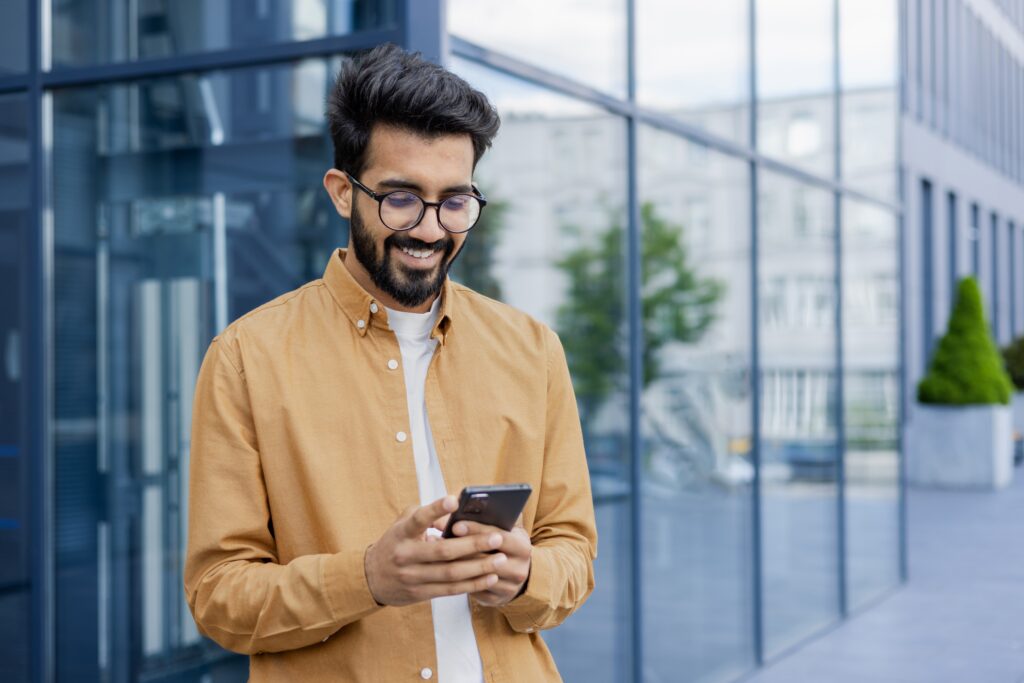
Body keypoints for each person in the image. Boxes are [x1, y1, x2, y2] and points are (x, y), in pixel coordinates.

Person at [183, 43, 597, 682]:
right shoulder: (246, 358)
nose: (431, 230)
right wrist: (367, 577)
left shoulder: (533, 349)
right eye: (401, 198)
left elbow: (574, 557)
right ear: (343, 193)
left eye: (454, 201)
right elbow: (218, 597)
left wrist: (526, 575)